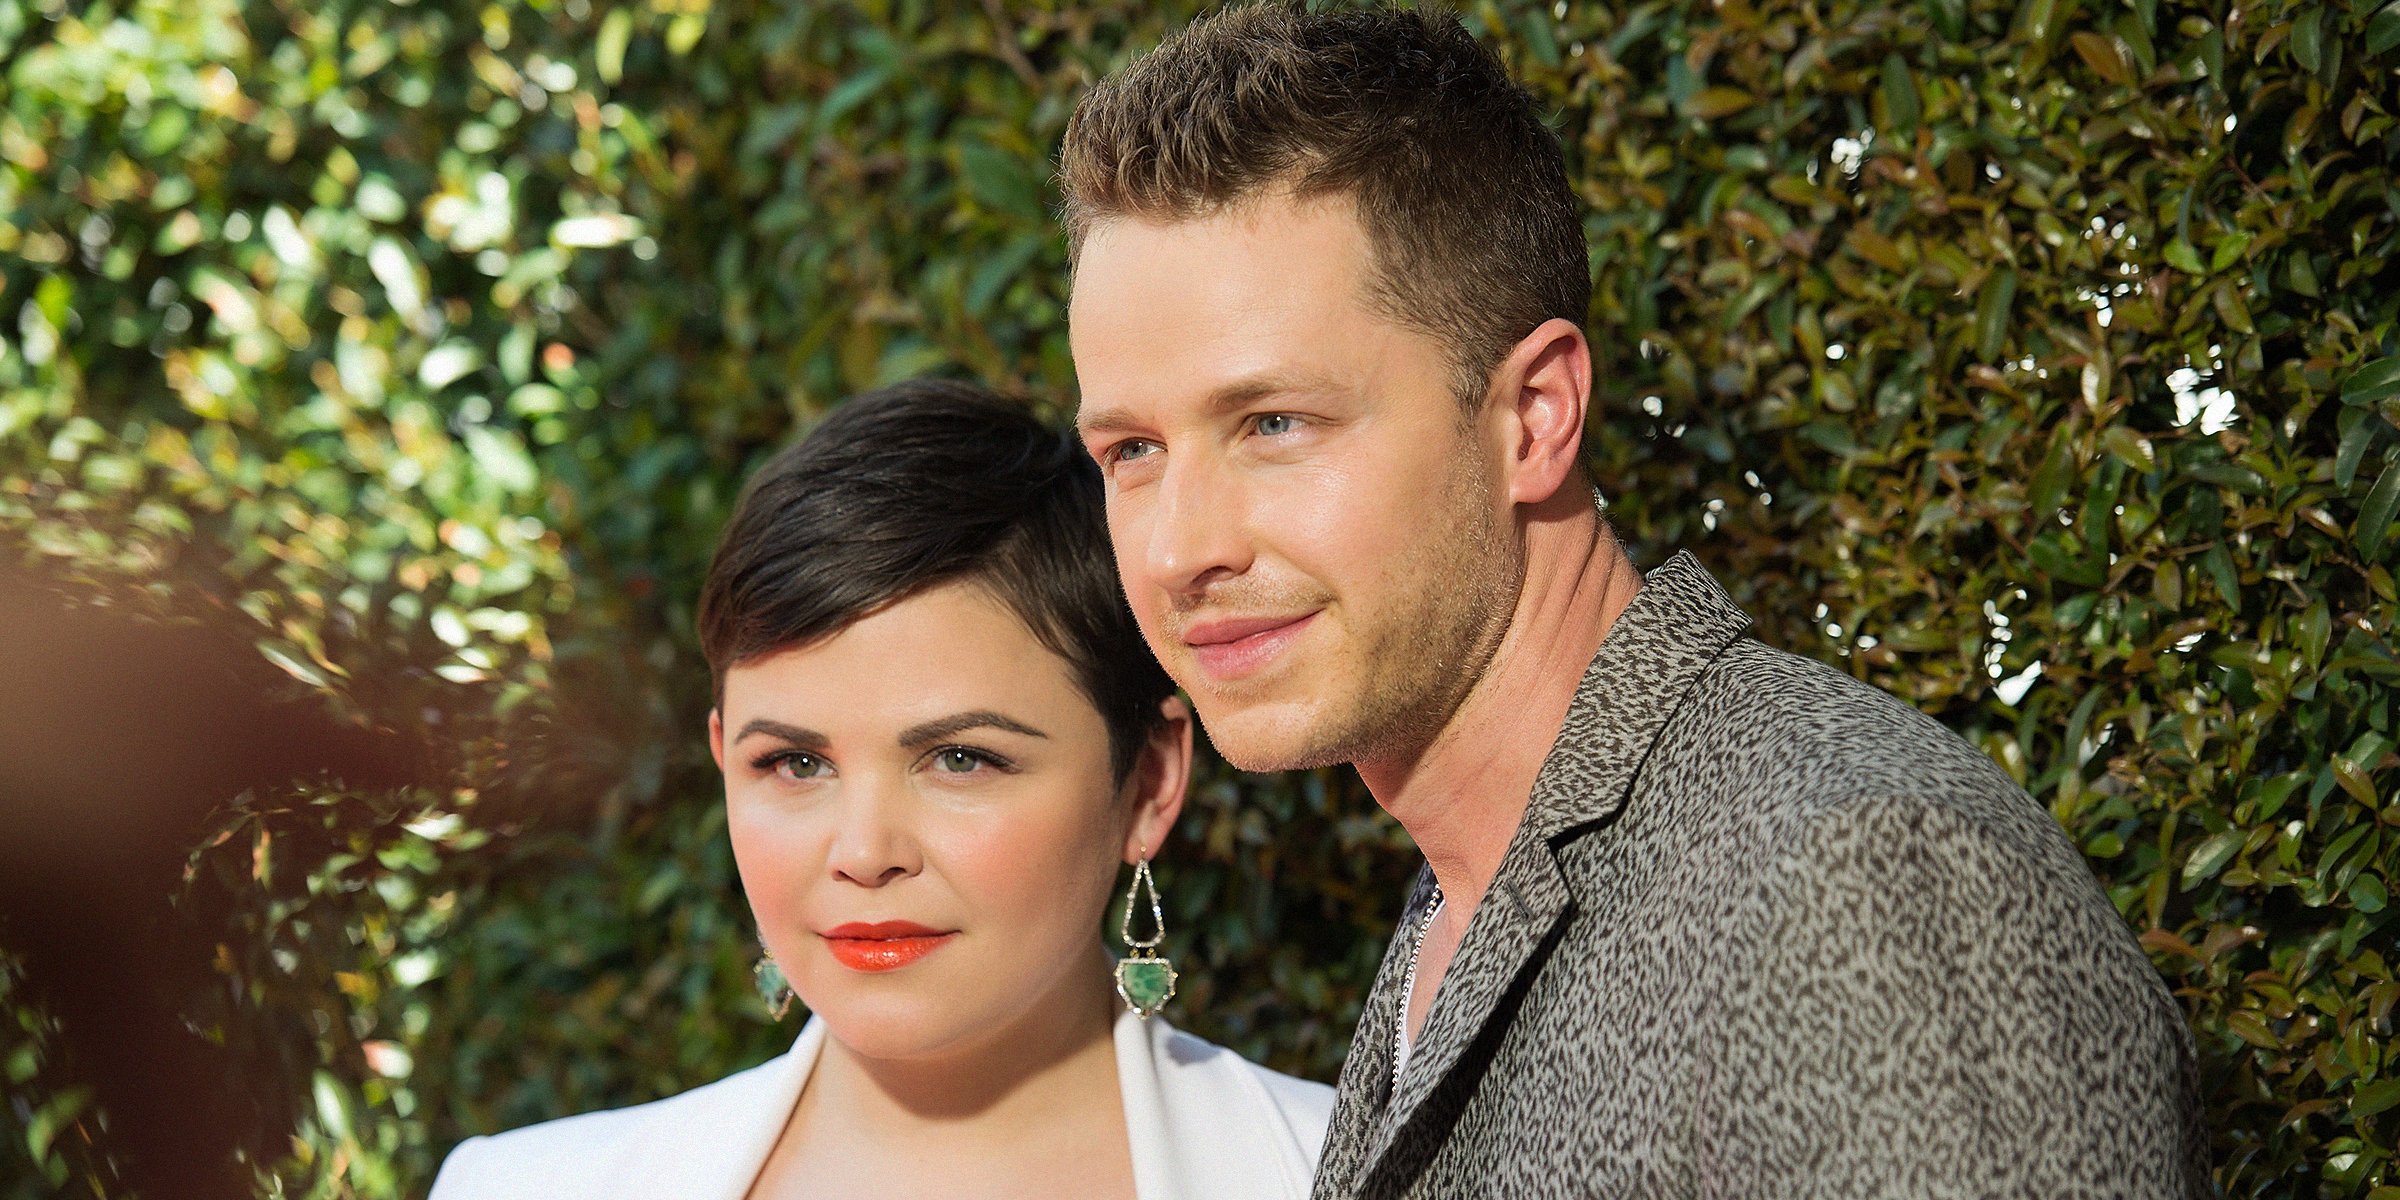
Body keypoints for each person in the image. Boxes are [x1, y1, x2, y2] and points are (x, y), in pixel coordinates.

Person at [1060, 5, 2210, 1198]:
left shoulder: (1860, 882)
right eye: (1132, 450)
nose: (1181, 546)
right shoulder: (1468, 903)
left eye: (1275, 425)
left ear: (1535, 417)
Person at [428, 381, 1333, 1199]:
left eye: (961, 760)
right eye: (795, 764)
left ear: (1148, 779)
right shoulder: (519, 1185)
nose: (864, 854)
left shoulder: (1356, 1174)